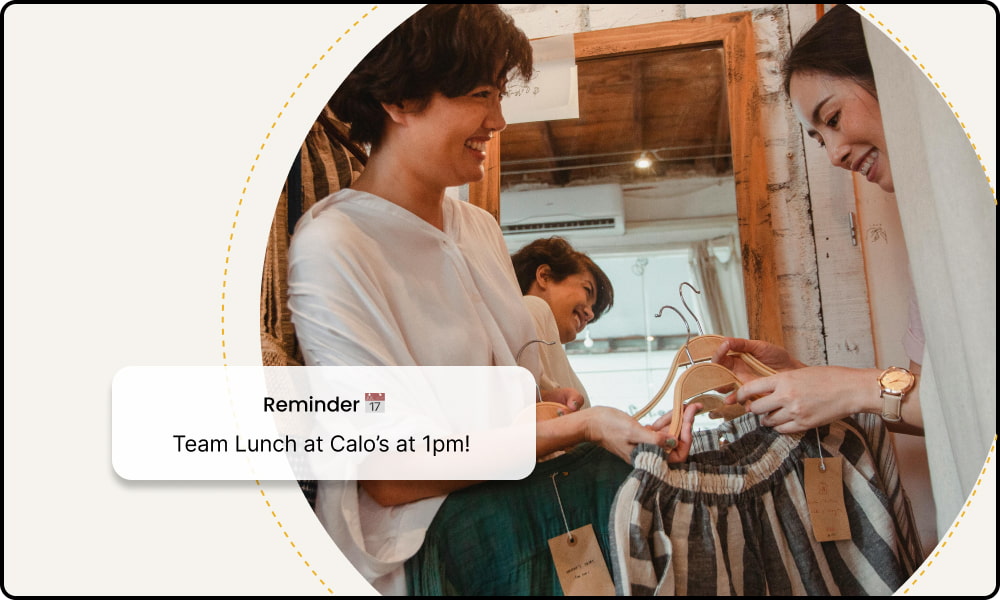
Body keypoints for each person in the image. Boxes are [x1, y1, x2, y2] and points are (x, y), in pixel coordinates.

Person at [286, 5, 699, 594]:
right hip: (429, 558)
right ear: (400, 100)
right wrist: (575, 427)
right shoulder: (334, 243)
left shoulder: (477, 227)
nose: (499, 119)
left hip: (527, 526)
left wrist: (547, 399)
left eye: (500, 93)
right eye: (481, 93)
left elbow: (506, 396)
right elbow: (389, 472)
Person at [714, 4, 925, 435]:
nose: (835, 155)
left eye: (832, 119)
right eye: (819, 139)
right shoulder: (932, 246)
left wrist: (848, 388)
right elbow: (931, 402)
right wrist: (802, 376)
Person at [510, 236, 614, 410]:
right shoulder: (533, 307)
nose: (590, 313)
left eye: (593, 309)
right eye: (587, 290)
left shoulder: (551, 352)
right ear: (545, 276)